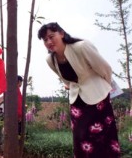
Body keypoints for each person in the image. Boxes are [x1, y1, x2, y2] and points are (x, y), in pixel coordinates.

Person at [38, 22, 120, 158]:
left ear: (62, 34)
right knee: (80, 138)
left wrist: (102, 88)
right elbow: (63, 78)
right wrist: (71, 86)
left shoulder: (81, 47)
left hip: (98, 99)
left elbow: (105, 69)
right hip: (77, 101)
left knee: (101, 137)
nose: (49, 41)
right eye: (45, 40)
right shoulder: (50, 59)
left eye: (51, 37)